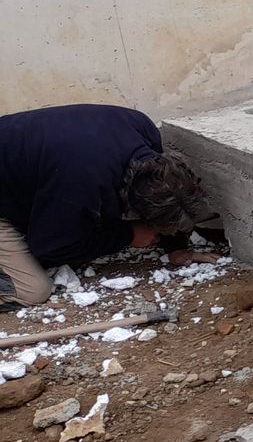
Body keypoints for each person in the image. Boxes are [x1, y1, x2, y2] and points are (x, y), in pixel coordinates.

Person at [0, 103, 222, 311]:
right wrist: (128, 235)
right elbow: (50, 246)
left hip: (19, 171)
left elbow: (169, 193)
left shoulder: (141, 129)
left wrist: (175, 246)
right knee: (32, 290)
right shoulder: (80, 184)